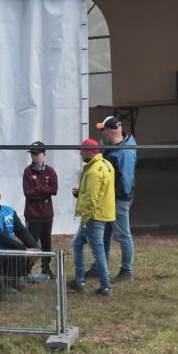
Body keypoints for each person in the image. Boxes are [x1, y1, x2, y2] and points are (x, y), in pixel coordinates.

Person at [70, 139, 115, 296]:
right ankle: (79, 279)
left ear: (89, 151)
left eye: (82, 151)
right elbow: (100, 191)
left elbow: (92, 199)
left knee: (98, 251)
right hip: (105, 214)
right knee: (77, 244)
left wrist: (84, 219)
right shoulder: (106, 165)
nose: (80, 154)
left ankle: (105, 285)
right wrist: (81, 192)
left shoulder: (94, 171)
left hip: (93, 217)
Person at [99, 116, 138, 282]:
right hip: (110, 198)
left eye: (103, 130)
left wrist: (118, 199)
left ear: (111, 130)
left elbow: (126, 181)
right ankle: (100, 266)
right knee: (105, 234)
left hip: (118, 200)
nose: (101, 133)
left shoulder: (124, 152)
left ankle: (126, 270)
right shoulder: (114, 146)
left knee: (123, 235)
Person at [0, 184, 39, 281]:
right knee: (18, 255)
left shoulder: (9, 211)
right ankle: (10, 282)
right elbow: (1, 238)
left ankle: (22, 274)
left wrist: (33, 246)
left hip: (6, 247)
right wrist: (24, 249)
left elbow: (21, 230)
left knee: (36, 250)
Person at [22, 141, 59, 278]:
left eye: (36, 153)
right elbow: (28, 193)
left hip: (47, 214)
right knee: (31, 244)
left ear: (44, 154)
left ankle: (46, 268)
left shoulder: (50, 171)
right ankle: (26, 269)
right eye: (32, 153)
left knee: (46, 243)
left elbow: (54, 189)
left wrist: (38, 189)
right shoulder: (28, 171)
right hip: (33, 215)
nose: (34, 156)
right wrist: (45, 191)